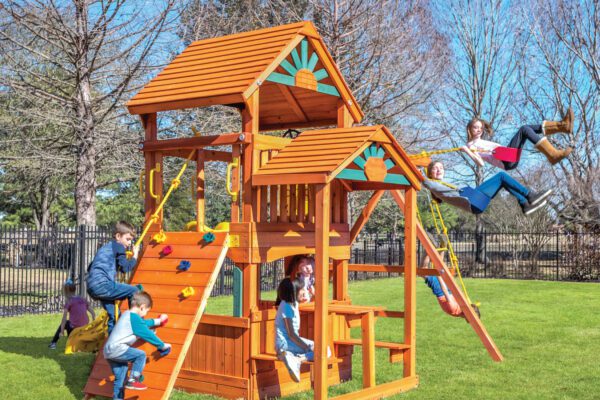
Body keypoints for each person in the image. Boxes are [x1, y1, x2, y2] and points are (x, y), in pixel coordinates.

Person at [103, 291, 169, 400]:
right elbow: (147, 334)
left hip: (109, 351)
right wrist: (162, 346)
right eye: (147, 311)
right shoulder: (134, 317)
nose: (146, 314)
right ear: (142, 307)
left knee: (121, 378)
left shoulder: (127, 315)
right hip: (117, 349)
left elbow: (143, 324)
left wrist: (158, 321)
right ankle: (134, 380)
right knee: (140, 355)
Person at [422, 161, 552, 216]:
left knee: (503, 181)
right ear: (430, 173)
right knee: (501, 176)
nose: (439, 170)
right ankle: (529, 195)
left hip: (475, 199)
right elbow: (424, 181)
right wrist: (418, 171)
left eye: (441, 167)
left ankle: (524, 203)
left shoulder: (444, 183)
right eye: (435, 168)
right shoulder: (434, 185)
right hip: (473, 200)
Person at [462, 109, 573, 169]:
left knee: (526, 129)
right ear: (469, 129)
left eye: (481, 128)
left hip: (507, 157)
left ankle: (563, 126)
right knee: (524, 129)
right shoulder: (471, 145)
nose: (479, 130)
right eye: (475, 127)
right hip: (505, 160)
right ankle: (552, 153)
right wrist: (467, 150)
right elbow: (481, 164)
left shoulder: (479, 141)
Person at [86, 221, 140, 333]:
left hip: (92, 286)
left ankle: (111, 344)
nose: (129, 243)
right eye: (128, 239)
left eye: (131, 240)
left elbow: (90, 267)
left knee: (115, 316)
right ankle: (135, 324)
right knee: (135, 291)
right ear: (118, 236)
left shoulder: (104, 248)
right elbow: (125, 268)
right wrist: (135, 256)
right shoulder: (119, 247)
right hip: (103, 284)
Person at [274, 278, 330, 382]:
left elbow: (307, 297)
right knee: (324, 350)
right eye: (302, 289)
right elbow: (291, 334)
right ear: (294, 292)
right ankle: (297, 359)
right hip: (285, 343)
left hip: (288, 343)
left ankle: (295, 358)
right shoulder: (287, 307)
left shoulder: (292, 302)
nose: (304, 291)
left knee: (324, 349)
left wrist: (312, 293)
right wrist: (307, 346)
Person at [48, 279, 95, 349]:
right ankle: (72, 342)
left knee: (66, 323)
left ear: (66, 292)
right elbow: (93, 313)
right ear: (75, 290)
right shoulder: (82, 299)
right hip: (84, 327)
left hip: (74, 328)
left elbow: (64, 318)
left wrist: (61, 331)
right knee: (69, 323)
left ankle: (53, 343)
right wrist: (92, 323)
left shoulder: (69, 302)